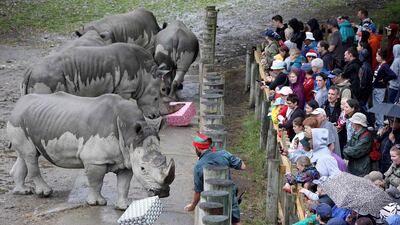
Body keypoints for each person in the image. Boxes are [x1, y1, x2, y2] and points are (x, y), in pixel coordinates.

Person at [184, 133, 246, 225]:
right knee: (235, 222)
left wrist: (193, 205)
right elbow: (243, 166)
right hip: (229, 196)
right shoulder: (223, 154)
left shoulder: (199, 166)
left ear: (197, 148)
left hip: (211, 201)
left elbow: (198, 191)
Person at [373, 48, 397, 129]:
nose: (376, 57)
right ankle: (377, 123)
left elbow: (393, 75)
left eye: (377, 55)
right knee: (376, 107)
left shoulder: (385, 66)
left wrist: (384, 80)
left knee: (379, 107)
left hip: (380, 89)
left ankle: (380, 125)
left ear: (381, 56)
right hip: (376, 88)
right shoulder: (380, 65)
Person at [343, 112, 372, 177]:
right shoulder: (355, 133)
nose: (351, 123)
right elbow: (347, 146)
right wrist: (347, 151)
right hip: (353, 167)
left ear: (358, 124)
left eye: (353, 122)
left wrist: (346, 151)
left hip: (361, 169)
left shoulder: (366, 136)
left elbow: (355, 152)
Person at [357, 44, 373, 108]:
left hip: (364, 92)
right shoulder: (367, 65)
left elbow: (363, 82)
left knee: (363, 106)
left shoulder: (364, 67)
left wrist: (360, 92)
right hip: (367, 90)